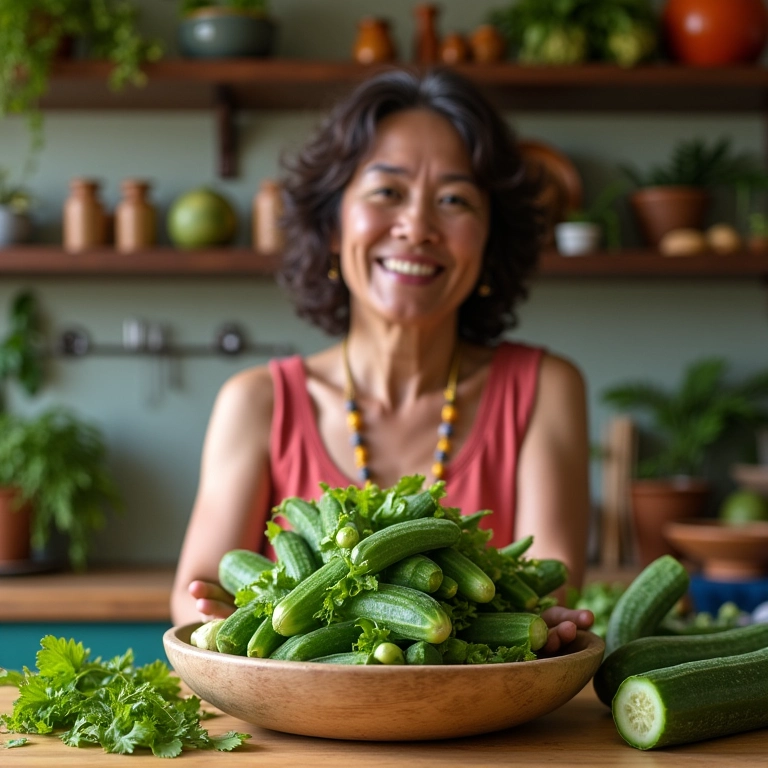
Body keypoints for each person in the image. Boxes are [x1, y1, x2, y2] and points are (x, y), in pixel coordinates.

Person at [171, 67, 593, 652]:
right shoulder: (255, 402)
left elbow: (547, 592)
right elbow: (200, 594)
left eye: (453, 199)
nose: (417, 226)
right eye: (386, 191)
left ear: (491, 239)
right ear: (333, 224)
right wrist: (224, 618)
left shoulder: (545, 387)